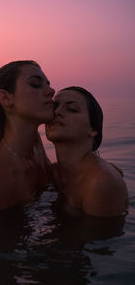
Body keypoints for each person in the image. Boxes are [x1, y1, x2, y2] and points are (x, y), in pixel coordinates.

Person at [0, 60, 55, 211]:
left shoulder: (34, 144)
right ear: (6, 98)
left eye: (48, 84)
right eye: (35, 84)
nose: (51, 91)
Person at [46, 86, 128, 217]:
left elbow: (99, 236)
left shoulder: (100, 181)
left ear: (93, 130)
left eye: (72, 109)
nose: (57, 112)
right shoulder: (52, 173)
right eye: (54, 107)